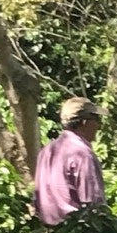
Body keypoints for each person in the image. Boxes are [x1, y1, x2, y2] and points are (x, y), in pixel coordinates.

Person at [34, 96, 107, 226]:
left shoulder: (46, 151)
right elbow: (94, 206)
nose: (99, 125)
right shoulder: (83, 155)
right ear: (84, 122)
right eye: (96, 119)